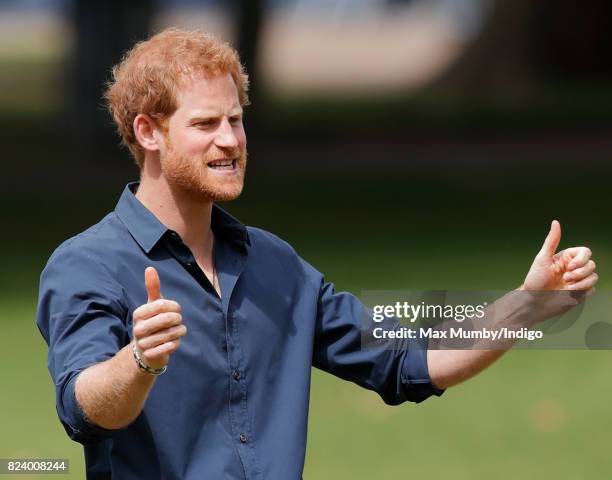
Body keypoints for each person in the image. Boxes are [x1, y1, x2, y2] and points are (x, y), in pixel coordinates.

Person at [36, 29, 598, 480]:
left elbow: (407, 361)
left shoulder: (274, 265)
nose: (230, 141)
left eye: (235, 120)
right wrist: (140, 361)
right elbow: (84, 410)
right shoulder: (87, 265)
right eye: (205, 124)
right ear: (148, 133)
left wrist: (525, 307)